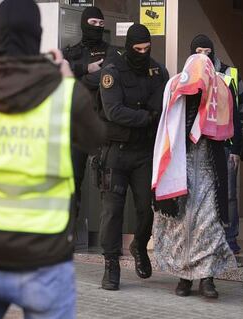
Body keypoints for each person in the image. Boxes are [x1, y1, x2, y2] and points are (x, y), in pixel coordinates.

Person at [0, 0, 109, 317]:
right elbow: (95, 138)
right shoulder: (63, 92)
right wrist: (69, 79)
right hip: (43, 258)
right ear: (38, 34)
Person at [152, 54, 237, 299]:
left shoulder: (221, 90)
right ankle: (184, 277)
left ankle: (207, 279)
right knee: (181, 224)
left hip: (211, 170)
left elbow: (234, 124)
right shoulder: (176, 88)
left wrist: (238, 150)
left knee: (209, 225)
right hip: (180, 166)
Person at [97, 23, 169, 291]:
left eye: (146, 49)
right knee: (112, 212)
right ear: (128, 47)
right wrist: (147, 117)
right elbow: (114, 111)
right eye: (137, 49)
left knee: (146, 209)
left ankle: (140, 244)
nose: (142, 53)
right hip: (116, 152)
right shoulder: (112, 72)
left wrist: (151, 115)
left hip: (144, 152)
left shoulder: (158, 71)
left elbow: (163, 104)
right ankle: (111, 264)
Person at [189, 34, 243, 254]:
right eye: (198, 52)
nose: (203, 56)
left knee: (228, 194)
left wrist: (240, 146)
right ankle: (204, 239)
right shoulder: (188, 75)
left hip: (226, 144)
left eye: (207, 51)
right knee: (199, 194)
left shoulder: (229, 74)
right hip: (197, 147)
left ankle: (229, 239)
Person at [62, 6, 120, 249]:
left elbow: (107, 79)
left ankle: (108, 243)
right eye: (93, 21)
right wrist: (87, 69)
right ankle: (68, 237)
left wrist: (78, 76)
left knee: (107, 185)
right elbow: (60, 77)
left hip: (102, 125)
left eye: (100, 22)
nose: (97, 26)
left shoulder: (112, 52)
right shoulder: (71, 51)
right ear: (84, 23)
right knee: (72, 182)